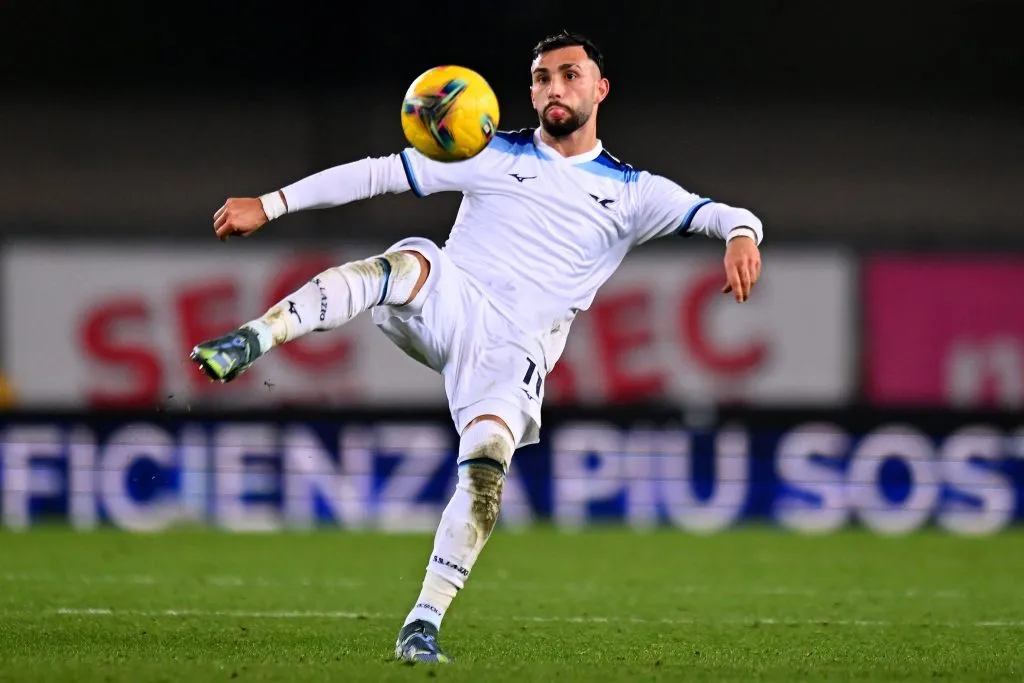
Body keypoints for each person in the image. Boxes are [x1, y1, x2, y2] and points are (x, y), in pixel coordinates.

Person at [191, 30, 763, 663]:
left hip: (514, 351)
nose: (554, 87)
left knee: (486, 473)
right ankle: (254, 337)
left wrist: (741, 234)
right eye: (541, 77)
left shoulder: (631, 193)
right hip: (451, 300)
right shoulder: (486, 152)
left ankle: (422, 624)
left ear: (600, 89)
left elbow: (720, 212)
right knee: (404, 264)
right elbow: (379, 173)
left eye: (569, 75)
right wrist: (269, 205)